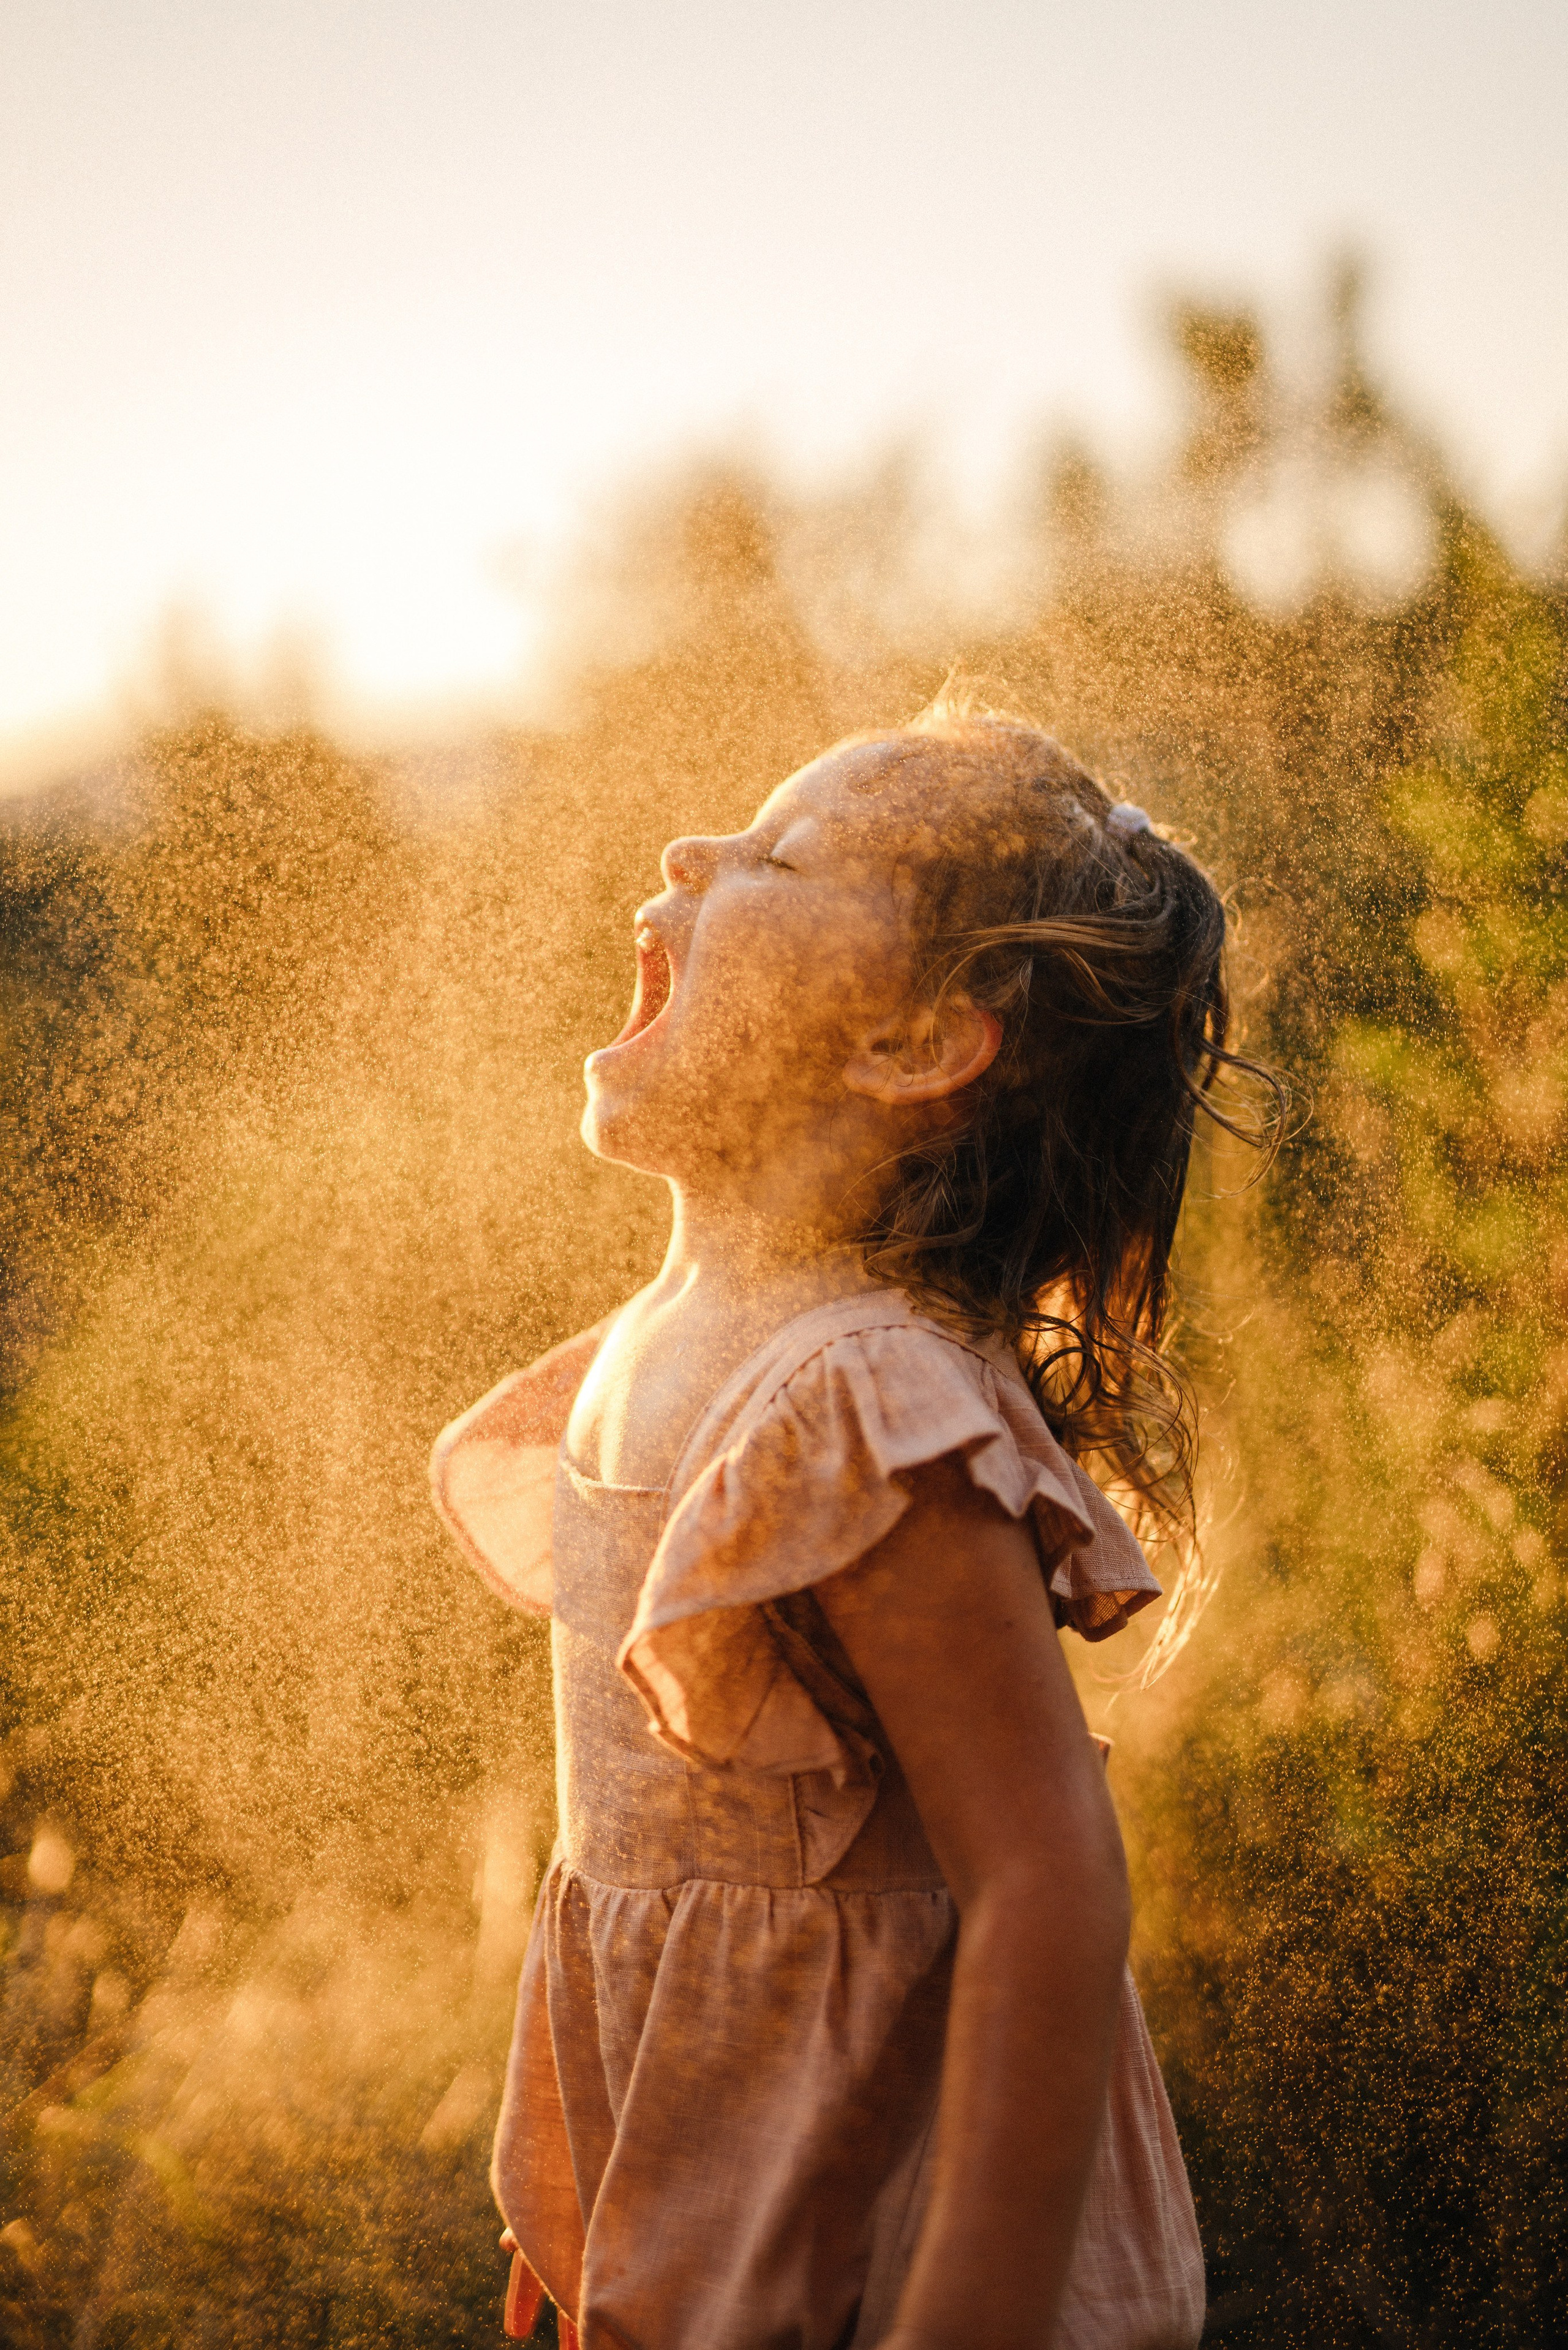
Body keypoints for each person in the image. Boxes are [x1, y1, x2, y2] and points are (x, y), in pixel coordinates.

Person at [432, 697, 1263, 2350]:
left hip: (890, 2237)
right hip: (726, 2203)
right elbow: (643, 1875)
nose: (691, 851)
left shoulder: (861, 1410)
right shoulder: (654, 1354)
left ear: (914, 1043)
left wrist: (967, 2320)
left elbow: (1046, 1888)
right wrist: (608, 2177)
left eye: (776, 858)